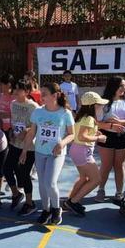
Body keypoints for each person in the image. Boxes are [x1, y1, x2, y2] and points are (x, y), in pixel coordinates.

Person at [21, 83, 76, 226]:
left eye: (44, 93)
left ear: (55, 95)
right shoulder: (38, 112)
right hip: (40, 152)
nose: (41, 96)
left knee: (50, 183)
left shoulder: (65, 113)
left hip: (56, 153)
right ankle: (45, 210)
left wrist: (62, 143)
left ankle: (56, 209)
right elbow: (32, 132)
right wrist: (25, 150)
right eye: (41, 93)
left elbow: (72, 135)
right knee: (41, 183)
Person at [61, 92, 108, 217]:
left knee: (84, 178)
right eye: (99, 104)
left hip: (77, 150)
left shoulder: (81, 117)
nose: (101, 106)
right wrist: (99, 138)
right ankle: (73, 202)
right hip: (83, 151)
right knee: (96, 179)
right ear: (92, 106)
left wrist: (95, 134)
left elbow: (82, 134)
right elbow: (83, 136)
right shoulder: (90, 118)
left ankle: (69, 201)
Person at [95, 76, 125, 202]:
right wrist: (110, 124)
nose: (124, 88)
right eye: (121, 86)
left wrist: (121, 122)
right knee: (106, 165)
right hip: (107, 136)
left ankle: (119, 192)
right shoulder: (103, 102)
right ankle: (100, 190)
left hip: (123, 137)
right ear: (113, 86)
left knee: (120, 165)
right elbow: (97, 122)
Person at [5, 80, 39, 215]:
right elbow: (14, 122)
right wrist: (12, 132)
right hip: (15, 143)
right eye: (15, 89)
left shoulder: (34, 107)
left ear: (27, 92)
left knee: (25, 174)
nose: (16, 92)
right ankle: (16, 194)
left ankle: (30, 203)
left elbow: (36, 126)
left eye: (19, 89)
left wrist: (26, 131)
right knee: (7, 169)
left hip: (29, 146)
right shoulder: (13, 104)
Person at [0, 74, 14, 139]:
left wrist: (8, 115)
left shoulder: (14, 97)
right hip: (1, 128)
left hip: (11, 130)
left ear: (8, 85)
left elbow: (20, 114)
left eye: (0, 84)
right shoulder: (1, 95)